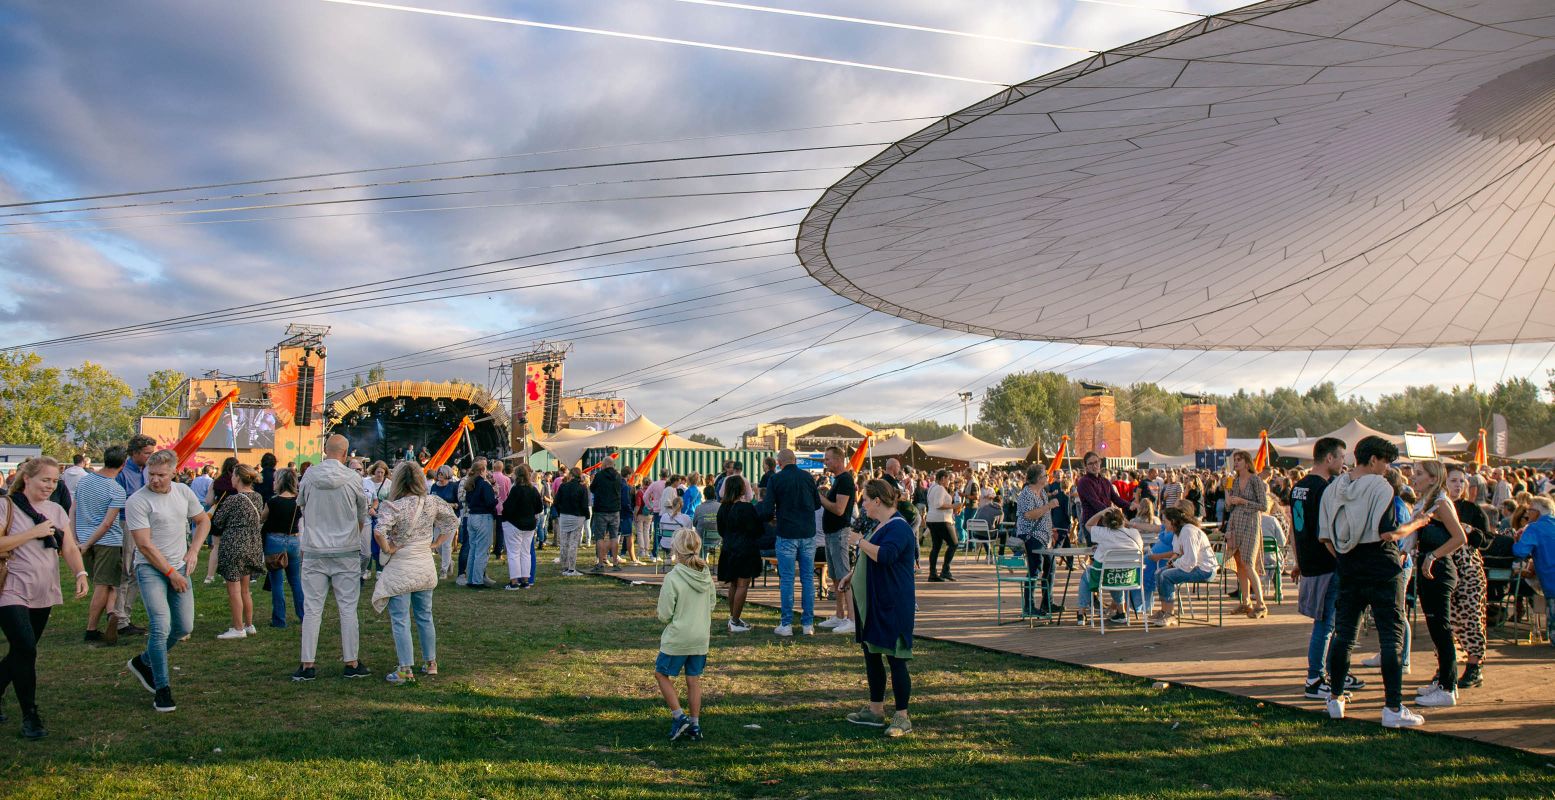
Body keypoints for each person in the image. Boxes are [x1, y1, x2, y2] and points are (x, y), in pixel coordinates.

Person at [1320, 435, 1432, 728]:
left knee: (1343, 635)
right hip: (1382, 566)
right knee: (1390, 637)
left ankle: (1335, 698)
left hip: (1348, 566)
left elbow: (1325, 537)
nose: (1387, 469)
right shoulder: (1381, 485)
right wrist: (1418, 523)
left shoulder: (1333, 489)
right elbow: (1388, 532)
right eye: (1385, 462)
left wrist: (1345, 558)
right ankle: (1393, 707)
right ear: (1373, 460)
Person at [0, 458, 89, 738]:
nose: (50, 486)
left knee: (21, 652)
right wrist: (33, 533)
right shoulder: (7, 505)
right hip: (10, 588)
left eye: (54, 481)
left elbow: (70, 547)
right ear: (27, 478)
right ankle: (30, 716)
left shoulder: (56, 510)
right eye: (45, 480)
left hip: (44, 589)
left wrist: (80, 573)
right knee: (26, 648)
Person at [124, 450, 211, 714]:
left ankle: (145, 661)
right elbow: (144, 545)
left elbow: (202, 520)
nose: (155, 480)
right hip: (151, 568)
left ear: (173, 472)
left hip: (179, 565)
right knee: (160, 625)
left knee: (183, 626)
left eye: (161, 475)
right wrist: (171, 573)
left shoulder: (183, 493)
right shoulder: (137, 501)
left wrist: (194, 550)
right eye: (151, 474)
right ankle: (162, 689)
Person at [840, 479, 916, 738]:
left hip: (892, 604)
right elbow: (870, 557)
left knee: (896, 660)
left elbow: (885, 555)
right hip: (872, 604)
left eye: (864, 499)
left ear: (876, 501)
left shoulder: (900, 528)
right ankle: (875, 710)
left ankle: (902, 716)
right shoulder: (880, 525)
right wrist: (853, 574)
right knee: (872, 655)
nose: (861, 503)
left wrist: (859, 541)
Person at [1290, 437, 1365, 700]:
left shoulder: (1297, 487)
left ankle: (1335, 672)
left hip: (1310, 562)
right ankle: (1315, 678)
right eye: (1342, 457)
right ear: (1329, 458)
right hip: (1327, 562)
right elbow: (1329, 531)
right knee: (1327, 624)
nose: (1344, 462)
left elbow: (1294, 530)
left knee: (1328, 623)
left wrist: (1298, 561)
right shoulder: (1324, 490)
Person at [293, 434, 371, 682]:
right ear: (346, 453)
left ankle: (307, 664)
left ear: (325, 450)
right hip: (345, 551)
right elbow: (362, 514)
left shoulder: (309, 476)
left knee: (312, 609)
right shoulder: (353, 479)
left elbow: (302, 505)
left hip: (315, 550)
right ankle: (351, 662)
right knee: (348, 609)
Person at [373, 462, 458, 684]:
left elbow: (379, 531)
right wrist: (435, 543)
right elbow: (452, 521)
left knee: (400, 619)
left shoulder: (394, 506)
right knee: (425, 616)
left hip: (402, 566)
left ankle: (404, 669)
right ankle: (431, 663)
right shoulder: (432, 502)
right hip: (424, 565)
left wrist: (388, 548)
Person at [1407, 460, 1468, 708]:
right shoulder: (1427, 504)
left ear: (1433, 479)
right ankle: (1443, 679)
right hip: (1428, 569)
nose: (1413, 478)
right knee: (1435, 626)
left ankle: (1447, 686)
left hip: (1439, 571)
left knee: (1441, 627)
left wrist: (1433, 556)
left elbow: (1460, 537)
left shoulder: (1441, 503)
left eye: (1419, 474)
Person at [654, 528, 714, 742]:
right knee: (693, 680)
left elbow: (664, 614)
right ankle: (695, 724)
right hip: (700, 636)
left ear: (676, 550)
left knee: (662, 674)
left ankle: (679, 716)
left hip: (678, 637)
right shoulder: (706, 575)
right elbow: (712, 603)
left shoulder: (673, 577)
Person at [755, 449, 821, 636]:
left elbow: (767, 509)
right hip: (807, 533)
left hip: (786, 533)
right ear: (795, 460)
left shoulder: (776, 479)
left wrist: (771, 517)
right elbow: (816, 504)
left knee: (787, 580)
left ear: (779, 462)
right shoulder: (808, 477)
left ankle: (787, 624)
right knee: (807, 578)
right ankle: (808, 624)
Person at [73, 446, 128, 646]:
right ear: (123, 465)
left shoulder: (84, 481)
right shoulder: (117, 490)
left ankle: (112, 613)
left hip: (84, 538)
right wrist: (88, 543)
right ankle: (93, 628)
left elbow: (73, 509)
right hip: (107, 541)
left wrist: (76, 539)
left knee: (109, 582)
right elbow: (107, 523)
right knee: (105, 584)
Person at [1444, 466, 1490, 690]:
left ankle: (1474, 667)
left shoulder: (1471, 509)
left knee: (1471, 617)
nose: (1458, 485)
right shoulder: (1438, 507)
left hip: (1469, 570)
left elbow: (1488, 540)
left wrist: (1471, 531)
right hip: (1444, 568)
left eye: (1462, 481)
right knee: (1446, 620)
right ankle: (1446, 667)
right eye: (1453, 480)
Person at [209, 465, 267, 640]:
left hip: (234, 545)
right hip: (252, 544)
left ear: (238, 478)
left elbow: (218, 521)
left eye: (233, 475)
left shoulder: (233, 500)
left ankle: (237, 627)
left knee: (233, 590)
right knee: (245, 589)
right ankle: (249, 624)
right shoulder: (257, 496)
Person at [111, 434, 157, 638]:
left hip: (143, 524)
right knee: (126, 570)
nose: (150, 457)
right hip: (127, 524)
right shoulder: (122, 474)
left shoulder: (144, 472)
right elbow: (118, 502)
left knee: (136, 570)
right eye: (147, 453)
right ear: (135, 453)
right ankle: (119, 619)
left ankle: (124, 616)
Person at [1147, 507, 1217, 626]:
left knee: (1166, 576)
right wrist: (1172, 561)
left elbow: (1191, 559)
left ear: (1173, 521)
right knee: (1159, 572)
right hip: (1195, 566)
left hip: (1205, 569)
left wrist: (1174, 564)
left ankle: (1170, 614)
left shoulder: (1188, 531)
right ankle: (1165, 610)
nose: (1164, 524)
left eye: (1165, 521)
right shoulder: (1178, 532)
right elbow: (1178, 552)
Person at [1076, 508, 1145, 625]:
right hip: (1129, 577)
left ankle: (1081, 614)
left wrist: (1100, 512)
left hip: (1107, 578)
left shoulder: (1103, 533)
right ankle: (1121, 612)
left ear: (1106, 523)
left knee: (1086, 576)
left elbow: (1087, 524)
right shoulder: (1134, 533)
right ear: (1122, 520)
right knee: (1115, 571)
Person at [817, 446, 857, 635]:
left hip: (839, 532)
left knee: (843, 576)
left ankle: (852, 619)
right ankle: (840, 615)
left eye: (828, 459)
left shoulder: (846, 480)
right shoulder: (838, 480)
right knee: (834, 576)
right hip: (831, 533)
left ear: (839, 460)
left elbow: (839, 509)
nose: (826, 463)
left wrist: (820, 499)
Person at [1224, 450, 1269, 619]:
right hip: (1236, 523)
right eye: (1235, 460)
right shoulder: (1234, 481)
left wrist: (1243, 501)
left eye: (1239, 460)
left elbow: (1263, 505)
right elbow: (1228, 507)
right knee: (1239, 564)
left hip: (1250, 524)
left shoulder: (1255, 480)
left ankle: (1261, 603)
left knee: (1248, 562)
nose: (1236, 463)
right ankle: (1245, 602)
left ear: (1247, 462)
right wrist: (1227, 489)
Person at [715, 476, 762, 633]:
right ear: (742, 489)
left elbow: (720, 530)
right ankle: (734, 620)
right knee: (743, 584)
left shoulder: (722, 508)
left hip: (728, 548)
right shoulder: (746, 508)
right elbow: (756, 529)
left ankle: (734, 617)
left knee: (734, 584)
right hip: (745, 549)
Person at [1013, 466, 1060, 617]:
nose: (1047, 477)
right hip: (1031, 537)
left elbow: (1046, 517)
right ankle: (1029, 606)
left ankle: (1047, 602)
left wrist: (1051, 531)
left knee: (1050, 568)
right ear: (1038, 479)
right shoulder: (1026, 494)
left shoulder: (1042, 494)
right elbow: (1029, 515)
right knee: (1035, 570)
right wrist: (1048, 506)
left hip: (1044, 537)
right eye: (1045, 475)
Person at [262, 468, 304, 629]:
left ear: (279, 481)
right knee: (295, 581)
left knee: (277, 582)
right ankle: (303, 615)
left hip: (275, 541)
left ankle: (279, 619)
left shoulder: (273, 502)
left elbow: (262, 518)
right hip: (294, 540)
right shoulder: (298, 501)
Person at [1511, 496, 1555, 645]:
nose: (1527, 513)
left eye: (1530, 510)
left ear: (1537, 512)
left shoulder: (1534, 528)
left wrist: (1516, 540)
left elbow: (1520, 551)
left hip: (1550, 578)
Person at [500, 464, 544, 590]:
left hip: (514, 524)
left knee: (514, 553)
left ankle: (514, 582)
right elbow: (539, 508)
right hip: (529, 525)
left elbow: (508, 507)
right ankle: (525, 580)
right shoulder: (533, 490)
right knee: (526, 553)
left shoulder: (516, 490)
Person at [1076, 451, 1129, 543]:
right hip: (1092, 523)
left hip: (1107, 521)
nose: (1094, 466)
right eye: (1090, 463)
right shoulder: (1084, 482)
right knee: (1096, 554)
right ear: (1086, 466)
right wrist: (1112, 514)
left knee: (1109, 552)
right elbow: (1095, 502)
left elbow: (1116, 498)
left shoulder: (1105, 481)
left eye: (1096, 462)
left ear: (1100, 462)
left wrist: (1130, 506)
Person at [202, 457, 239, 585]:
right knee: (232, 546)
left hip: (219, 515)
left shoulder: (216, 481)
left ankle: (209, 576)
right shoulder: (238, 482)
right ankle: (227, 575)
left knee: (216, 547)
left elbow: (209, 501)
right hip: (234, 515)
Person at [461, 460, 497, 589]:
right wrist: (496, 498)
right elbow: (490, 502)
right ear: (482, 471)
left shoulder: (471, 484)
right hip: (483, 517)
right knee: (482, 550)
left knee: (473, 549)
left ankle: (470, 578)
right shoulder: (484, 485)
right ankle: (477, 580)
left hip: (471, 516)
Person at [588, 457, 626, 574]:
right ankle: (615, 562)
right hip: (615, 510)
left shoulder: (599, 476)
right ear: (613, 465)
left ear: (604, 465)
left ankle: (600, 563)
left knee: (600, 537)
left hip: (601, 510)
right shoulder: (618, 476)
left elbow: (592, 488)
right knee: (614, 537)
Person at [553, 468, 590, 576]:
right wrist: (586, 516)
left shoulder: (563, 486)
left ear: (571, 475)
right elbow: (584, 505)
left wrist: (561, 512)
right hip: (577, 517)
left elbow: (556, 502)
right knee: (573, 543)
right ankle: (571, 568)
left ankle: (564, 567)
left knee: (564, 543)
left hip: (564, 516)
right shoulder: (582, 488)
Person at [925, 469, 958, 582]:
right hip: (941, 520)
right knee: (954, 543)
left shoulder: (932, 487)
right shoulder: (939, 488)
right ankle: (945, 570)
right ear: (943, 478)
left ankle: (933, 573)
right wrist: (953, 506)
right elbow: (938, 504)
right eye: (948, 479)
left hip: (932, 519)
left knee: (936, 546)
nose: (949, 481)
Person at [428, 466, 460, 578]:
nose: (439, 475)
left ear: (447, 474)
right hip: (438, 520)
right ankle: (450, 562)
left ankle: (444, 570)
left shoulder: (453, 486)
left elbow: (459, 503)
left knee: (446, 544)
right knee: (438, 545)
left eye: (442, 473)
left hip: (451, 519)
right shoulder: (433, 487)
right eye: (438, 473)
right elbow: (430, 501)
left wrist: (450, 505)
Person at [362, 461, 391, 579]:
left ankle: (380, 569)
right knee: (367, 542)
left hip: (382, 515)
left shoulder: (389, 483)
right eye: (378, 472)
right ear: (374, 471)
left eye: (382, 473)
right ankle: (367, 569)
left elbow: (390, 500)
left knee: (379, 541)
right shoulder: (367, 482)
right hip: (369, 515)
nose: (379, 475)